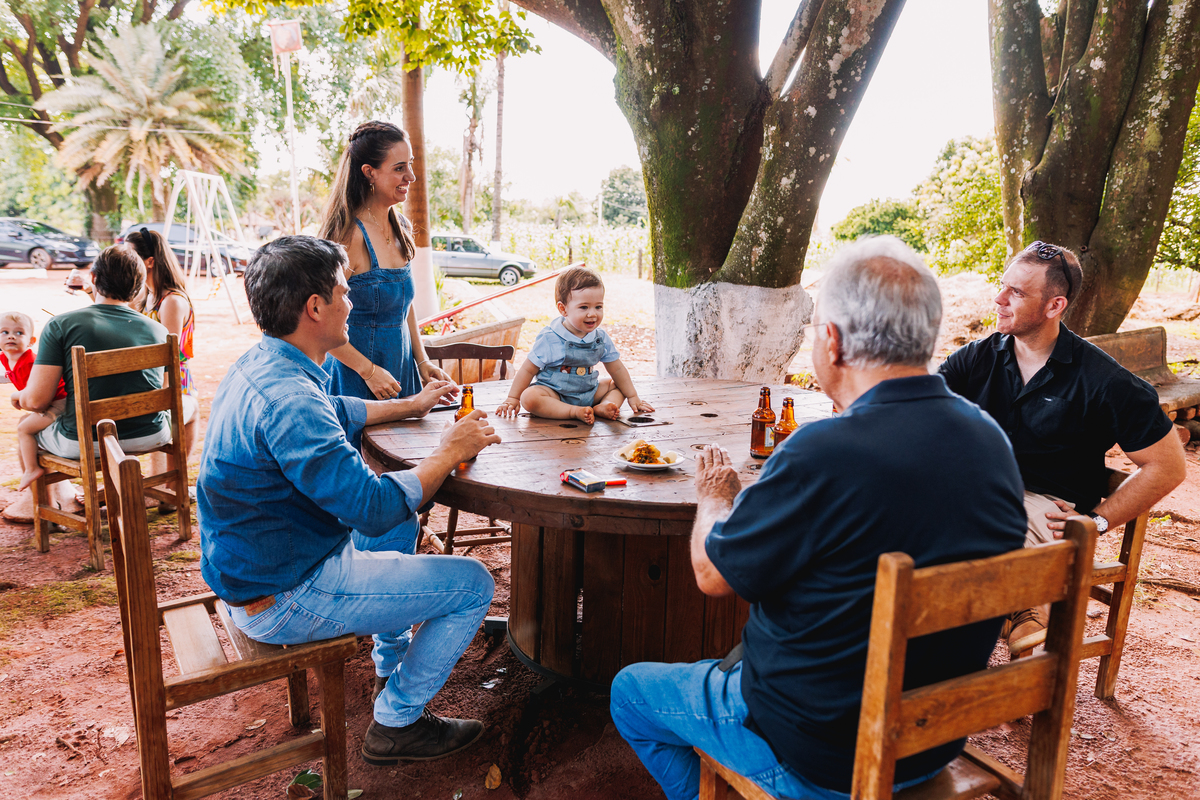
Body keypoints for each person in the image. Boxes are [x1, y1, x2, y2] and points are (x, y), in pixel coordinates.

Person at [609, 237, 1028, 800]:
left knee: (630, 691)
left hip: (819, 751)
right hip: (932, 740)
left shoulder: (822, 452)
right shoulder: (990, 440)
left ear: (832, 341)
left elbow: (712, 575)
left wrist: (714, 498)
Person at [198, 236, 500, 764]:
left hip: (262, 568)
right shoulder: (290, 400)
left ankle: (391, 664)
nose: (352, 300)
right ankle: (397, 723)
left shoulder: (264, 363)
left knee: (399, 532)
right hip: (286, 596)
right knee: (474, 584)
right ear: (315, 307)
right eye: (344, 291)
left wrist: (411, 404)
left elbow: (333, 408)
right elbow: (373, 508)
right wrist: (451, 449)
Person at [939, 240, 1186, 655]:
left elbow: (1168, 466)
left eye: (1017, 292)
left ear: (1055, 306)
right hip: (980, 497)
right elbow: (920, 407)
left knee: (961, 540)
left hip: (1046, 509)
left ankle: (1020, 640)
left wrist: (1095, 523)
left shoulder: (1105, 381)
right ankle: (1008, 615)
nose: (999, 299)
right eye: (1002, 285)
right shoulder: (975, 358)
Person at [11, 244, 197, 461]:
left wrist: (18, 396)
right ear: (139, 287)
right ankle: (176, 479)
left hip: (83, 441)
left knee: (26, 426)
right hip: (150, 435)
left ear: (93, 277)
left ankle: (43, 483)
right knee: (191, 406)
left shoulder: (60, 325)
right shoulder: (159, 330)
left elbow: (36, 402)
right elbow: (163, 390)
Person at [318, 120, 455, 408]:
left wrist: (422, 361)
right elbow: (319, 324)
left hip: (401, 371)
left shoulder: (401, 225)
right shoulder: (347, 236)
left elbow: (403, 305)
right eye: (399, 168)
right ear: (369, 172)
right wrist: (368, 372)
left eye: (410, 165)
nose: (411, 176)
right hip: (356, 378)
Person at [495, 265, 654, 424]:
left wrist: (633, 396)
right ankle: (573, 411)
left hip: (589, 392)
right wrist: (513, 398)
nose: (592, 313)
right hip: (555, 394)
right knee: (529, 397)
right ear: (563, 309)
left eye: (598, 307)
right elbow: (528, 369)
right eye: (584, 307)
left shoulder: (600, 338)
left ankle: (605, 406)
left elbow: (617, 368)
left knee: (618, 384)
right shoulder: (550, 337)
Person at [125, 227, 199, 509]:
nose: (126, 260)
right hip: (152, 377)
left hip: (172, 379)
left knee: (188, 412)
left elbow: (169, 356)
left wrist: (161, 394)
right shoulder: (147, 296)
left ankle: (173, 485)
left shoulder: (172, 301)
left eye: (131, 255)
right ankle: (169, 485)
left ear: (149, 261)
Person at [3, 311, 68, 491]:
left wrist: (16, 396)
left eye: (19, 332)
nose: (11, 336)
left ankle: (32, 469)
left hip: (60, 402)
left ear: (31, 341)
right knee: (26, 422)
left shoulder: (31, 362)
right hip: (46, 400)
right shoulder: (5, 359)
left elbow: (38, 393)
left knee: (24, 429)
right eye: (4, 332)